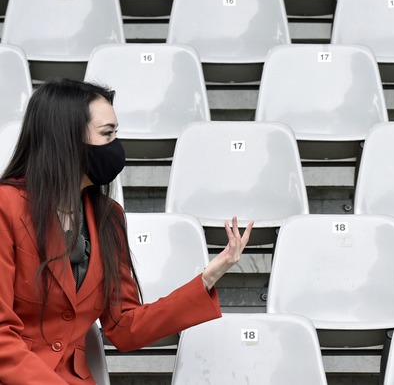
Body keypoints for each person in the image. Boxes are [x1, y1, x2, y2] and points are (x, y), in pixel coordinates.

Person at [0, 79, 254, 384]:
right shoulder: (6, 207)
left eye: (116, 133)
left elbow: (124, 326)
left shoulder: (109, 218)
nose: (117, 145)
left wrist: (208, 277)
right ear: (64, 138)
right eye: (107, 134)